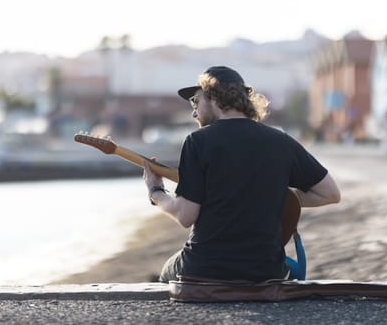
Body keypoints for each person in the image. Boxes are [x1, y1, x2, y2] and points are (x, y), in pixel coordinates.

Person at [142, 66, 340, 283]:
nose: (193, 111)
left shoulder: (198, 141)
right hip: (265, 270)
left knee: (166, 273)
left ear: (213, 97)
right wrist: (273, 196)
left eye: (195, 101)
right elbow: (330, 194)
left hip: (205, 267)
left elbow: (185, 215)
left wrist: (156, 191)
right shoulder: (280, 141)